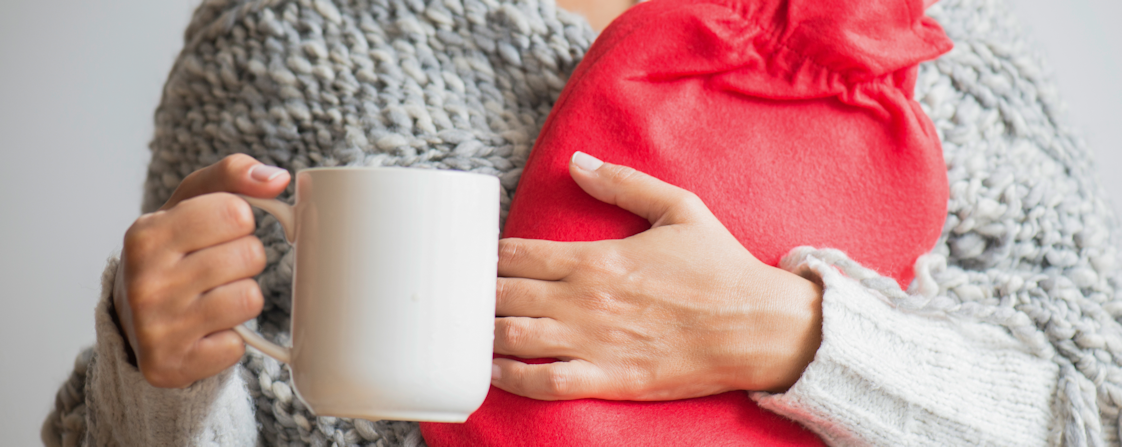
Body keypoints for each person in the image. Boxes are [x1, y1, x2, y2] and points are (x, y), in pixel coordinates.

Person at [42, 0, 1122, 446]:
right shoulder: (292, 33)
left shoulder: (926, 43)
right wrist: (159, 379)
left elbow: (1095, 410)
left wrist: (794, 334)